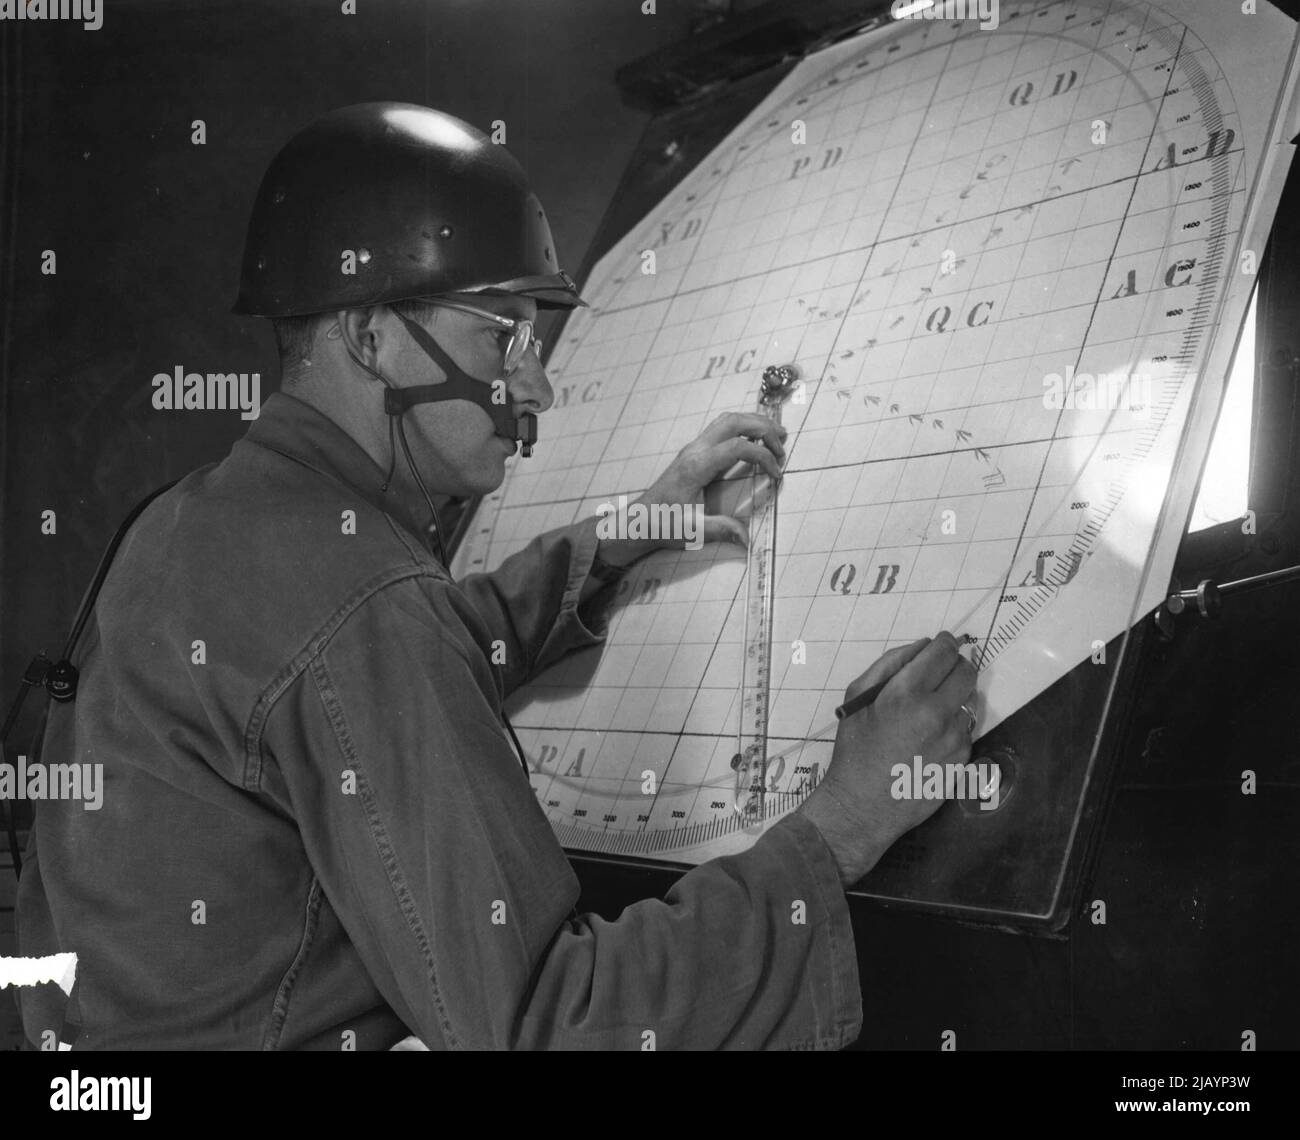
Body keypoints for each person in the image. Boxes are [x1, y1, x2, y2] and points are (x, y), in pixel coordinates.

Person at [16, 102, 977, 1050]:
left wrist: (633, 531)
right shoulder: (358, 605)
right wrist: (846, 821)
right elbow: (549, 1024)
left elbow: (415, 650)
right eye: (500, 337)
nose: (537, 387)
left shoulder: (194, 516)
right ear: (368, 336)